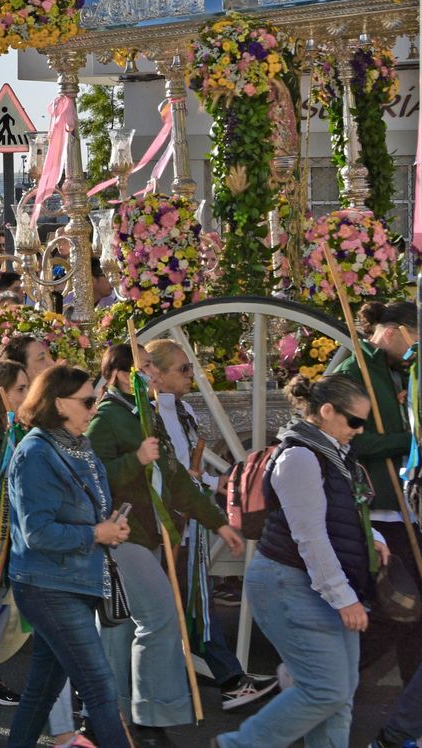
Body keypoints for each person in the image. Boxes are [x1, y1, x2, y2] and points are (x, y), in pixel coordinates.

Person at [87, 340, 245, 732]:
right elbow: (93, 478)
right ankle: (150, 718)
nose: (154, 373)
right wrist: (134, 460)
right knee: (158, 620)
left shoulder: (146, 413)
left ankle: (112, 718)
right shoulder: (107, 418)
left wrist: (217, 522)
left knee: (121, 628)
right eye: (145, 368)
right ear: (124, 375)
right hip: (123, 535)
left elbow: (174, 476)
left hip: (149, 532)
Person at [218, 373, 383, 748]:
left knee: (339, 694)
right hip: (288, 583)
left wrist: (372, 537)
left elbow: (335, 516)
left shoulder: (330, 453)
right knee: (326, 691)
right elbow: (309, 537)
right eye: (354, 421)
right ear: (326, 411)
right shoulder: (300, 458)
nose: (359, 430)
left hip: (308, 581)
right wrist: (344, 598)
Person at [0, 359, 80, 746]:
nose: (27, 395)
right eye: (21, 388)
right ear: (0, 393)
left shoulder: (20, 436)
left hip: (21, 558)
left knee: (52, 640)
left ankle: (65, 733)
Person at [6, 364, 132, 748]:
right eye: (88, 401)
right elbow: (37, 532)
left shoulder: (79, 445)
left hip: (72, 580)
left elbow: (89, 508)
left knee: (43, 690)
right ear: (59, 403)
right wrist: (96, 532)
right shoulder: (36, 452)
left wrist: (110, 527)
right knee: (99, 685)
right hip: (48, 585)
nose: (94, 408)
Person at [332, 300, 420, 683]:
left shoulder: (395, 372)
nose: (416, 347)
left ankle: (411, 706)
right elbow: (350, 441)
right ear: (393, 331)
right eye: (414, 338)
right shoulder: (354, 373)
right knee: (399, 606)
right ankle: (323, 677)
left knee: (412, 608)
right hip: (377, 508)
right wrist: (408, 440)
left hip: (403, 505)